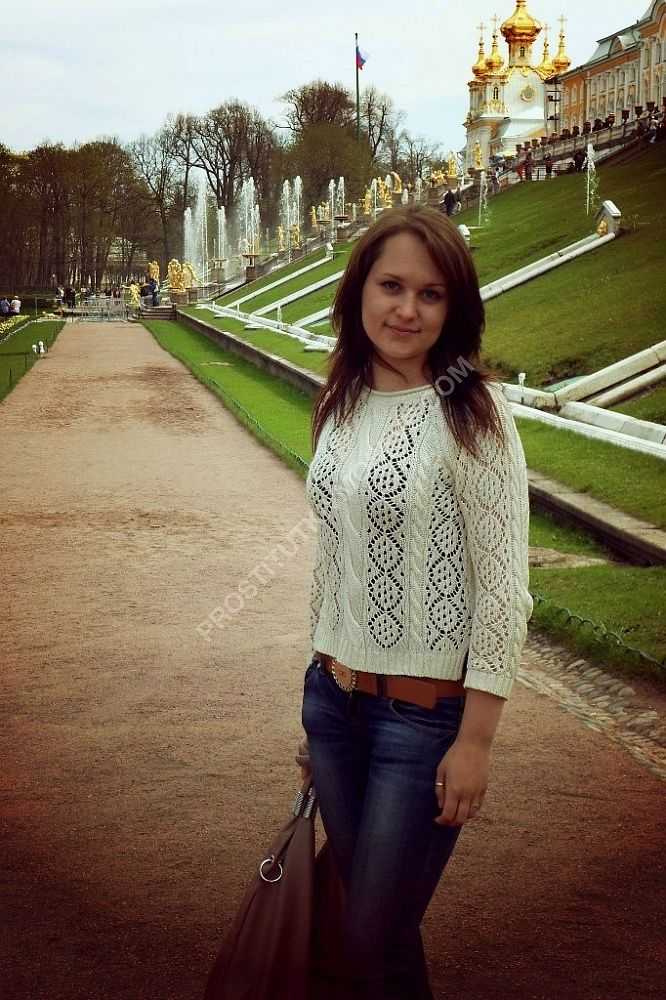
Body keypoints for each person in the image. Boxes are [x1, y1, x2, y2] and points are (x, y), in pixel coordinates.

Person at [299, 204, 532, 1000]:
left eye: (431, 294)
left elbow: (504, 590)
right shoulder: (340, 401)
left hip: (422, 724)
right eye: (391, 286)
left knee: (369, 936)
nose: (407, 309)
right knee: (379, 939)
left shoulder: (473, 412)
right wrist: (321, 694)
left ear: (454, 307)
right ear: (359, 290)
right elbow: (336, 559)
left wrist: (477, 743)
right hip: (333, 703)